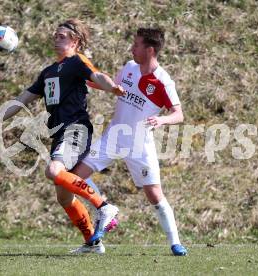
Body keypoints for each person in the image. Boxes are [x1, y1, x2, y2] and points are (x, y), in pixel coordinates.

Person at [0, 19, 124, 253]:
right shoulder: (47, 73)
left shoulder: (76, 62)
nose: (56, 38)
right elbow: (20, 101)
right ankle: (92, 243)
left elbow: (97, 76)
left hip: (76, 128)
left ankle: (103, 206)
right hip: (60, 133)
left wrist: (112, 87)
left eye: (62, 36)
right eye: (55, 35)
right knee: (64, 198)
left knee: (54, 171)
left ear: (75, 40)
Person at [69, 27, 188, 256]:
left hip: (139, 144)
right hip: (113, 136)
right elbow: (113, 86)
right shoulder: (130, 68)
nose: (132, 48)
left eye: (136, 45)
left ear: (149, 50)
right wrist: (82, 78)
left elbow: (178, 113)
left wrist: (162, 120)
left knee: (154, 195)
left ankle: (175, 242)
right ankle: (105, 209)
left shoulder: (163, 81)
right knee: (74, 177)